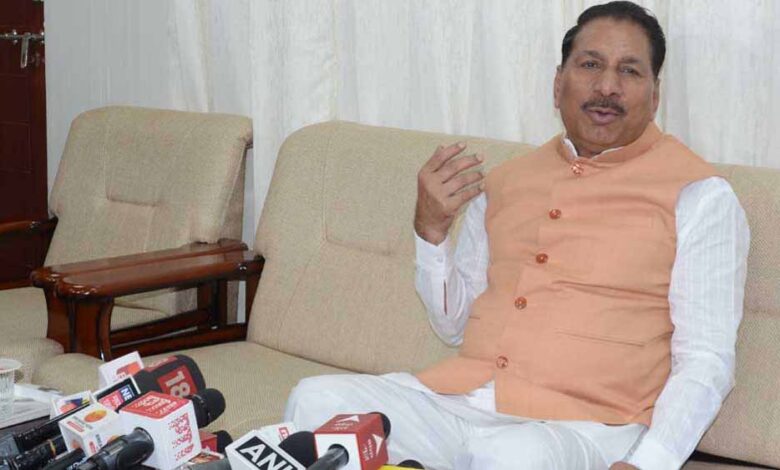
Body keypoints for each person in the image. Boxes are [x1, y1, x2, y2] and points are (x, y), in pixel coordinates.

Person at [283, 2, 750, 469]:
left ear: (655, 95)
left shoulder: (699, 196)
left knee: (510, 456)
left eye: (629, 71)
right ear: (557, 84)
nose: (607, 86)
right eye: (590, 65)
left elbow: (705, 358)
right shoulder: (506, 182)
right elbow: (453, 326)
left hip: (584, 427)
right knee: (316, 401)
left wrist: (649, 463)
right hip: (461, 404)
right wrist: (432, 232)